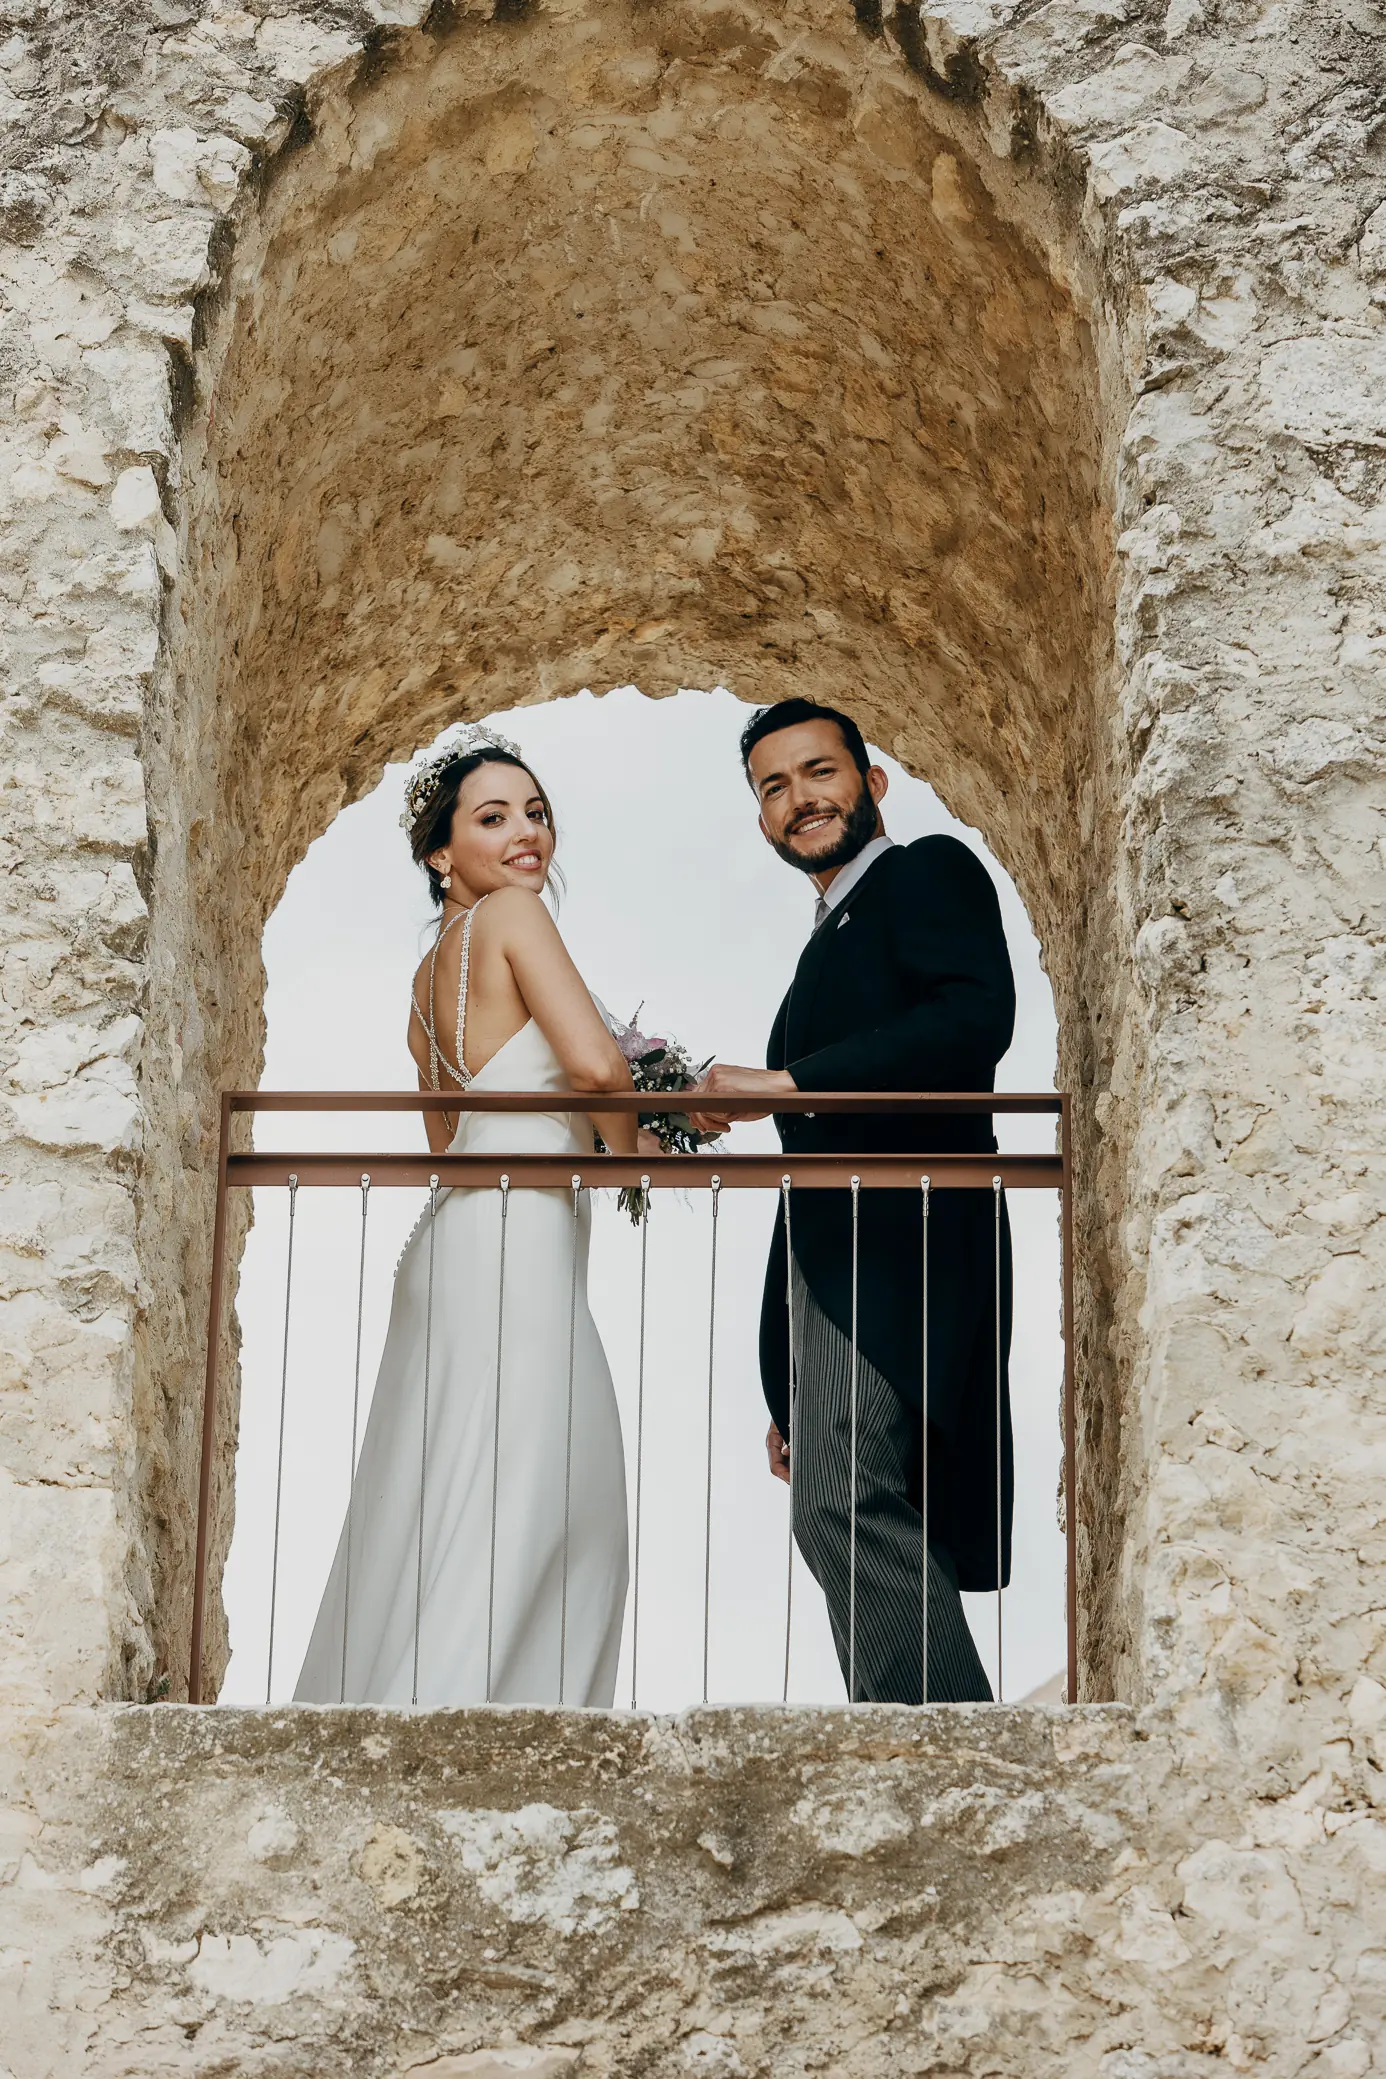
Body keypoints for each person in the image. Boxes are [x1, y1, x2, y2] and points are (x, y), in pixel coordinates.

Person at [295, 723, 634, 1707]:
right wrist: (630, 1163)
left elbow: (448, 1140)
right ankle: (463, 1742)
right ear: (442, 853)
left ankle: (413, 1721)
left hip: (454, 1242)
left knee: (449, 1507)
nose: (526, 834)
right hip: (516, 1238)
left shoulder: (425, 981)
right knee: (551, 1508)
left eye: (537, 813)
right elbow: (597, 1067)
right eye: (494, 818)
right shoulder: (516, 918)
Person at [691, 698, 1016, 1704]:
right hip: (843, 1266)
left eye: (818, 773)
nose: (800, 799)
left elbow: (974, 1019)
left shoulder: (928, 872)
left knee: (841, 1505)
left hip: (912, 1240)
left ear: (872, 784)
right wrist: (787, 1377)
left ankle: (954, 1755)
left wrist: (786, 1085)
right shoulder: (820, 945)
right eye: (773, 787)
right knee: (849, 1505)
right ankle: (917, 1741)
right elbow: (806, 1177)